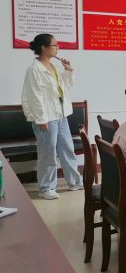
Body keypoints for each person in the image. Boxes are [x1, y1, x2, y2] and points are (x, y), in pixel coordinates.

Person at [21, 34, 82, 200]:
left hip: (60, 114)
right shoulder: (34, 70)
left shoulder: (52, 66)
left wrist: (68, 70)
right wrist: (41, 119)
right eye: (55, 45)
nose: (58, 48)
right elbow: (34, 96)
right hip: (46, 117)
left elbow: (66, 86)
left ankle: (74, 182)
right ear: (43, 48)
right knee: (48, 153)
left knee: (67, 148)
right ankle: (46, 187)